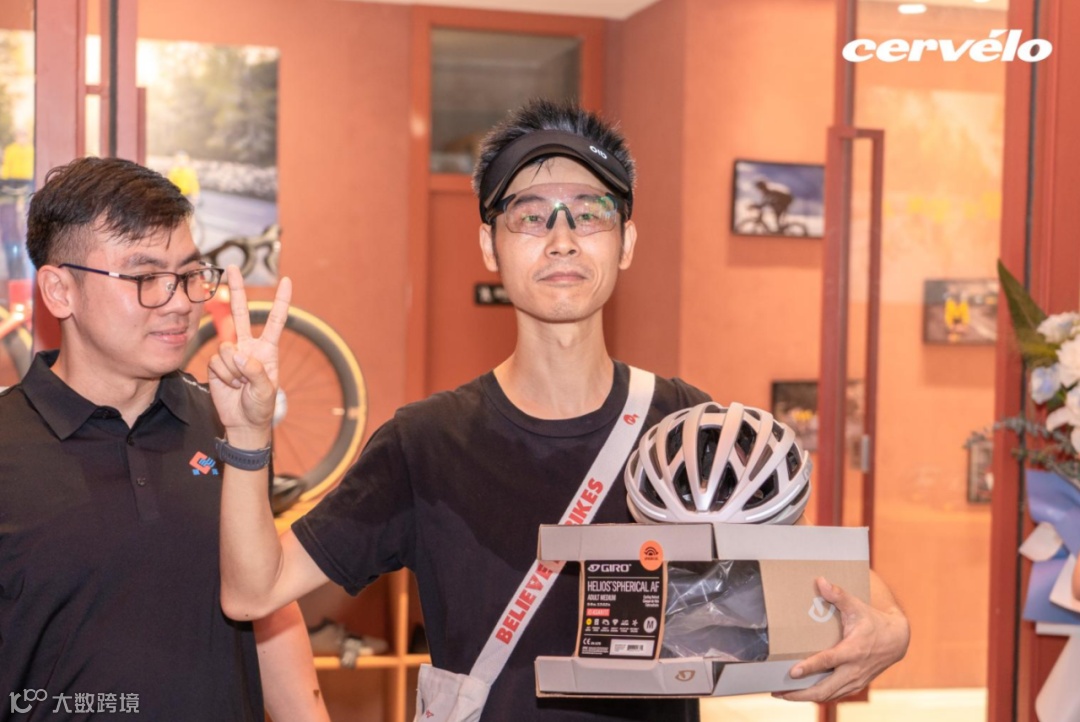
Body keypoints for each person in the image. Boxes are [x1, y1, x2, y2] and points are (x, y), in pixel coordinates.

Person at [214, 100, 910, 720]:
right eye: (530, 215)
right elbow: (254, 592)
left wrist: (891, 626)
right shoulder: (424, 444)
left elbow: (820, 570)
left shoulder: (686, 431)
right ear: (489, 245)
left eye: (590, 212)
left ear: (626, 242)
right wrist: (247, 433)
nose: (562, 238)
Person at [0, 156, 328, 721]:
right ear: (59, 291)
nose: (179, 301)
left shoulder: (230, 424)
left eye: (189, 275)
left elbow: (266, 607)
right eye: (145, 277)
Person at [0, 128, 34, 280]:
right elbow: (7, 170)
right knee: (12, 235)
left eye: (23, 135)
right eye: (19, 136)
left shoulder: (31, 150)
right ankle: (15, 273)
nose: (21, 138)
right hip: (12, 189)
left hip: (27, 188)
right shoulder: (11, 150)